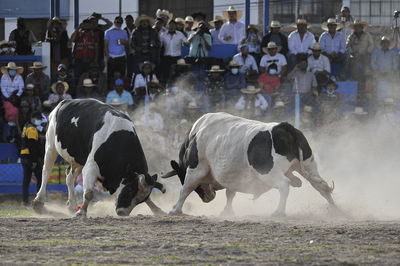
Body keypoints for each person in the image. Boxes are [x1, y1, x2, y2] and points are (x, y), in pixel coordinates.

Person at [346, 19, 374, 102]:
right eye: (356, 27)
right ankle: (356, 82)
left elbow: (371, 45)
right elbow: (347, 46)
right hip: (354, 56)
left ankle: (366, 81)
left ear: (362, 27)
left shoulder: (367, 35)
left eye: (358, 27)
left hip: (365, 55)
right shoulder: (351, 36)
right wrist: (352, 52)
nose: (357, 28)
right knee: (354, 69)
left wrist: (367, 51)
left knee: (367, 69)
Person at [20, 111, 43, 206]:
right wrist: (34, 160)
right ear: (33, 118)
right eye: (39, 119)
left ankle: (25, 202)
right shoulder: (32, 129)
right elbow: (32, 145)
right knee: (40, 179)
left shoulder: (26, 126)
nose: (40, 121)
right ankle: (39, 201)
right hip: (30, 157)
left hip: (24, 156)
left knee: (26, 180)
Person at [71, 18, 99, 84]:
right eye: (85, 25)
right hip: (79, 59)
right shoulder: (79, 33)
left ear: (91, 26)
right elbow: (72, 40)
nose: (86, 27)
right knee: (77, 76)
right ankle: (78, 91)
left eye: (88, 25)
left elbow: (96, 48)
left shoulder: (94, 35)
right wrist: (78, 28)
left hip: (89, 59)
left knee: (89, 77)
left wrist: (95, 60)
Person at [371, 36, 398, 101]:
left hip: (389, 73)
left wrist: (392, 70)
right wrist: (377, 69)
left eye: (386, 43)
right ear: (381, 44)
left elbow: (395, 64)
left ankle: (391, 97)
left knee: (393, 82)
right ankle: (376, 99)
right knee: (374, 83)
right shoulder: (376, 53)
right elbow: (373, 63)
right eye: (383, 43)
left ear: (388, 44)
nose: (385, 44)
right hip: (378, 72)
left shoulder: (393, 53)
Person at [105, 16, 128, 85]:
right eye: (117, 22)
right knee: (110, 76)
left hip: (122, 57)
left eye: (121, 22)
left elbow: (127, 43)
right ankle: (110, 90)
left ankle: (122, 90)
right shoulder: (108, 32)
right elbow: (105, 45)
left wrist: (123, 42)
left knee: (122, 75)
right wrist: (107, 56)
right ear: (114, 22)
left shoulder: (124, 32)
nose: (119, 24)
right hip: (112, 57)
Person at [124, 14, 136, 81]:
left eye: (129, 20)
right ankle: (129, 86)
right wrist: (121, 42)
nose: (128, 22)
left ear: (132, 21)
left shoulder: (137, 29)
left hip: (136, 53)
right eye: (126, 21)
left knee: (136, 70)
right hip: (128, 54)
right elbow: (119, 42)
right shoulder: (123, 30)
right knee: (129, 71)